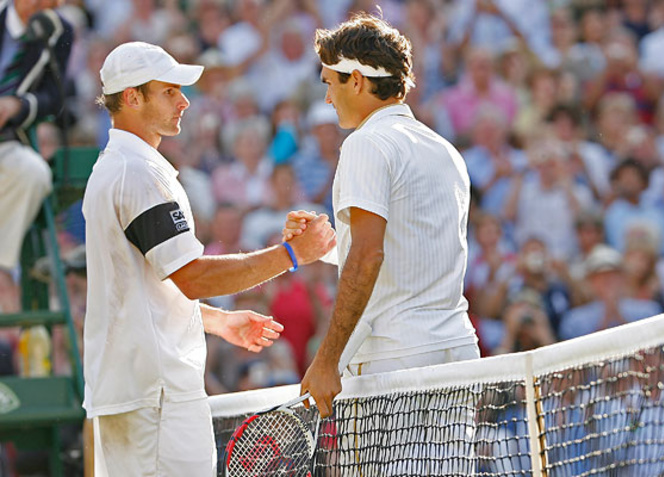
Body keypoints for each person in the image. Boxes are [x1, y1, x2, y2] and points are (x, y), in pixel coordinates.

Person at [83, 41, 336, 477]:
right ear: (131, 97)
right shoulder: (138, 173)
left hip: (142, 393)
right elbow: (193, 277)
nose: (184, 101)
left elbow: (150, 289)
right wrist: (293, 254)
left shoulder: (121, 167)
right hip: (155, 395)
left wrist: (217, 322)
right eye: (169, 92)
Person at [285, 13, 480, 418]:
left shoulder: (366, 144)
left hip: (394, 360)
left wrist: (327, 359)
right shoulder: (444, 149)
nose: (326, 98)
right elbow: (401, 251)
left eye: (329, 83)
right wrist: (324, 248)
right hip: (459, 354)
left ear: (355, 81)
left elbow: (369, 257)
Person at [0, 0, 74, 313]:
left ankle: (2, 267)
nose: (55, 4)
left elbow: (54, 98)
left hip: (6, 136)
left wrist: (18, 106)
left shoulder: (59, 30)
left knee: (34, 172)